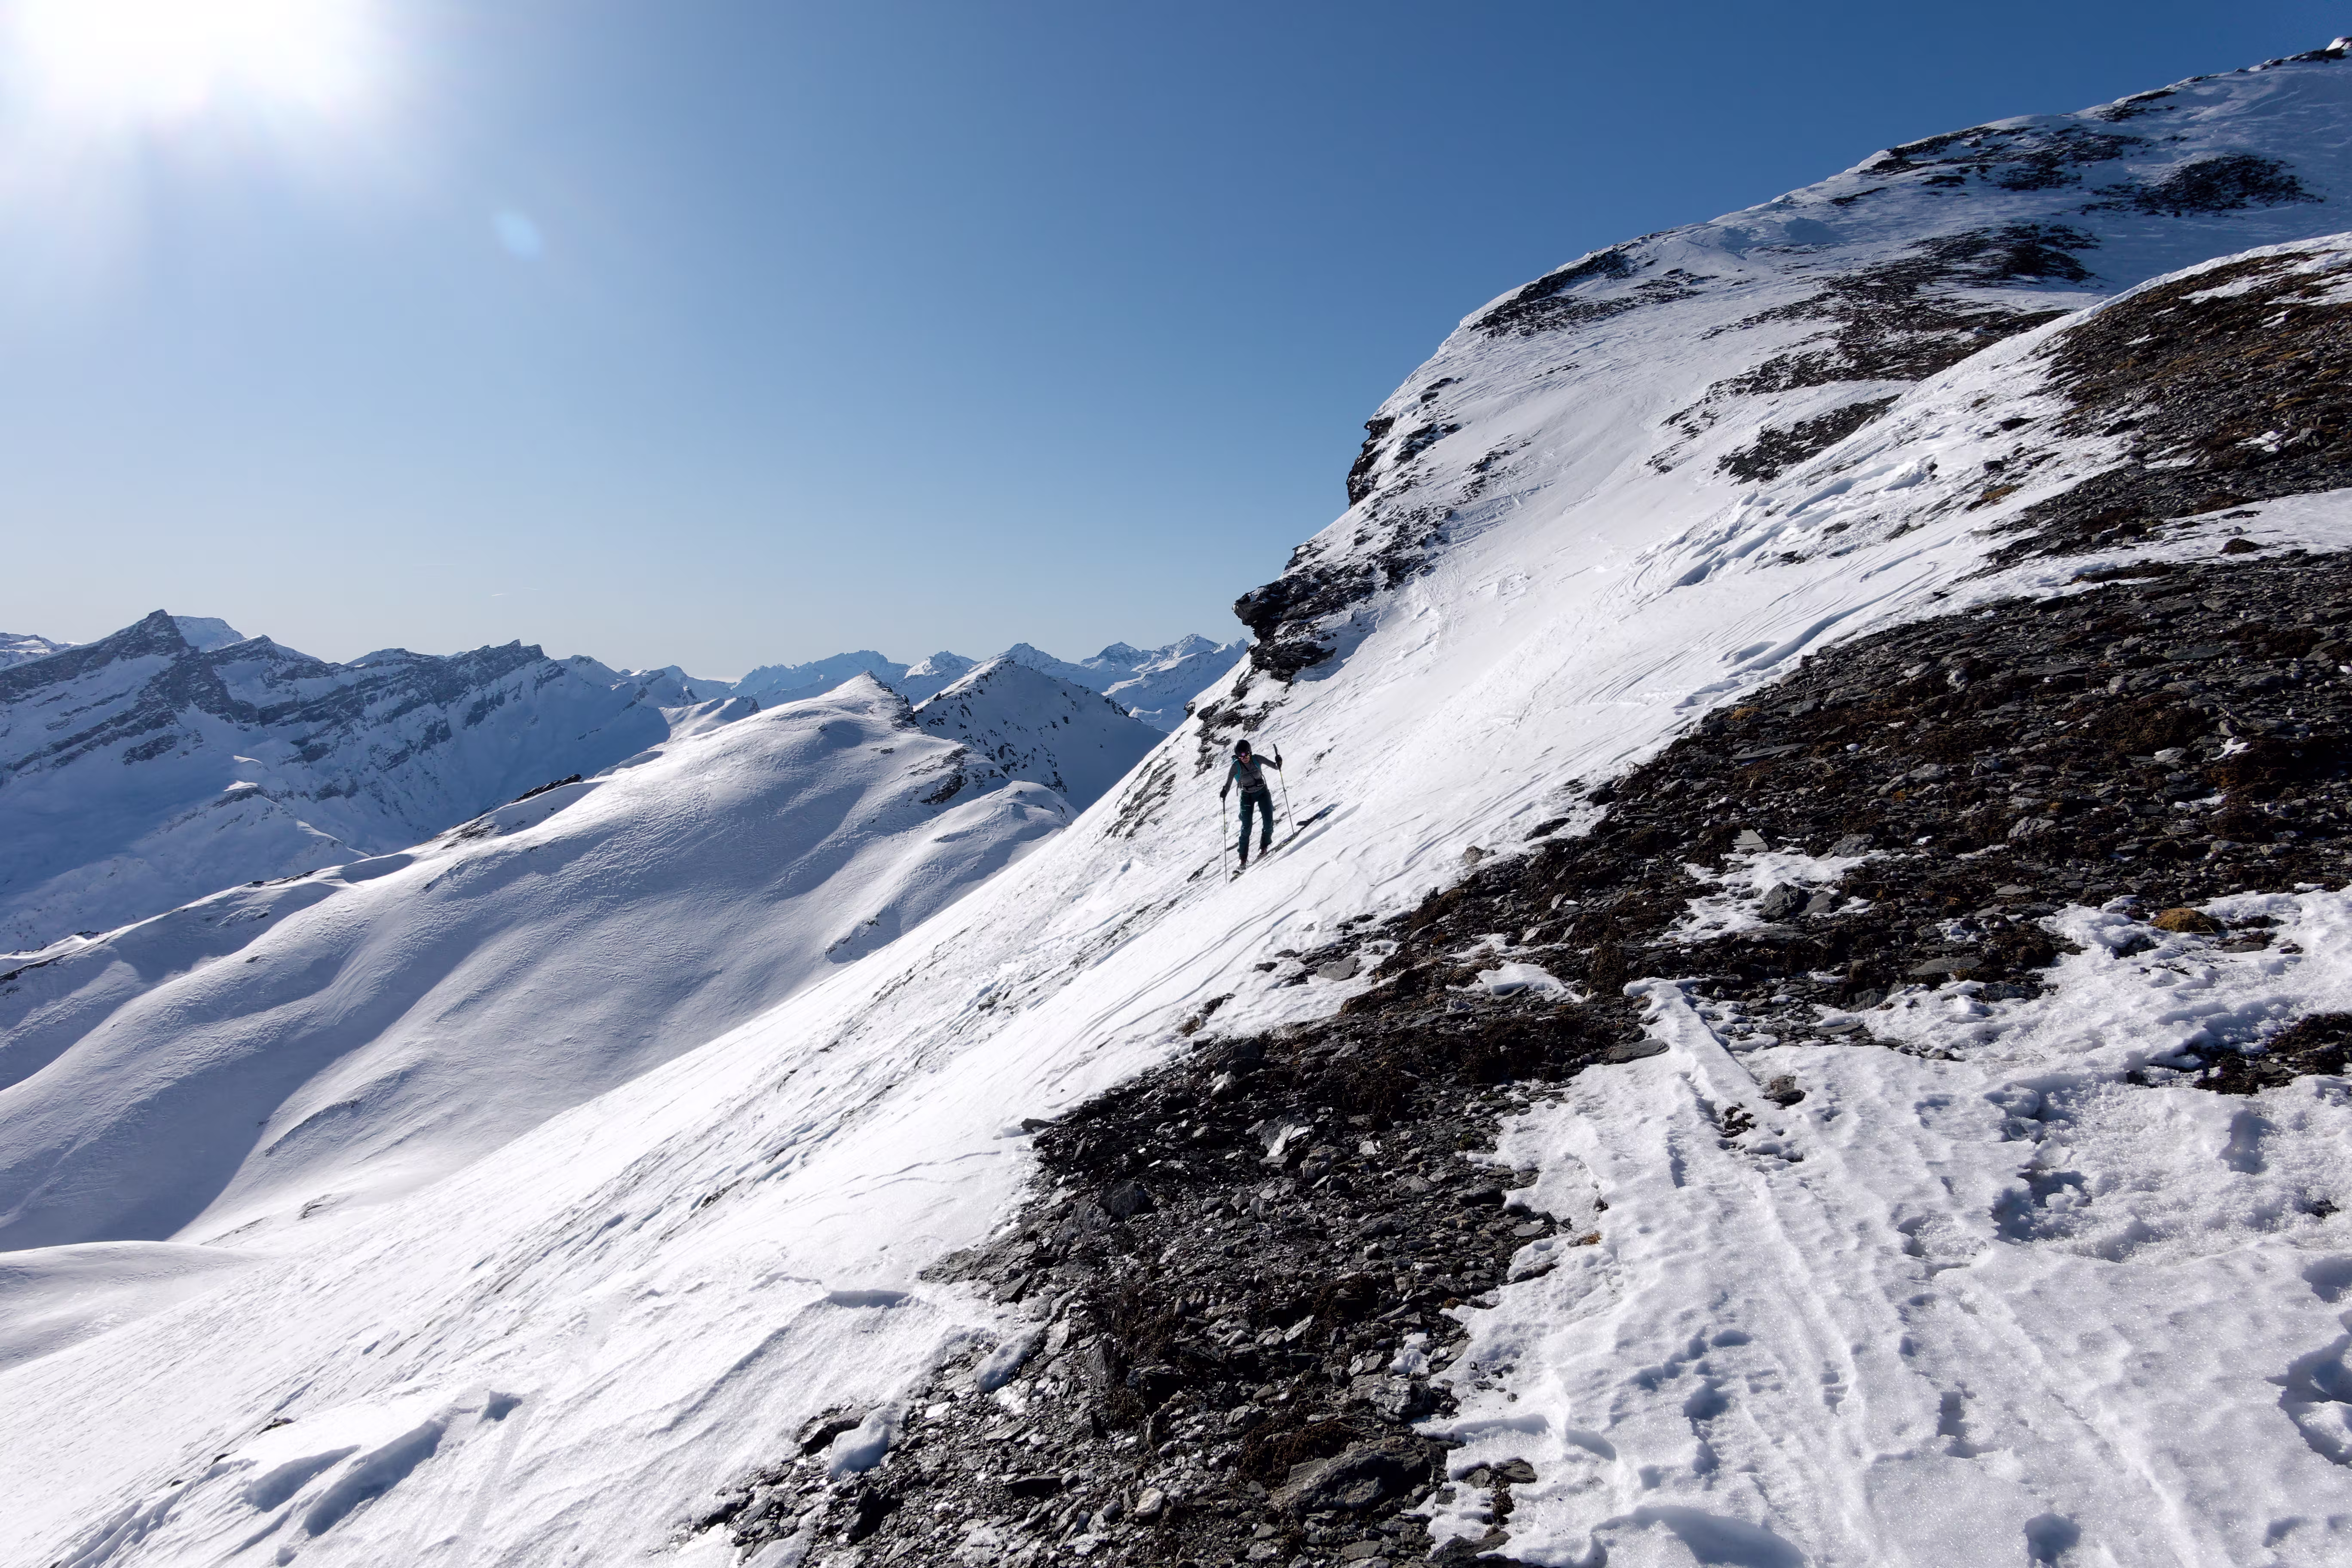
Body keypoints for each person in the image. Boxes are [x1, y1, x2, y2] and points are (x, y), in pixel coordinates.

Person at [1220, 739, 1283, 868]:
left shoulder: (1257, 759)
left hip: (1262, 792)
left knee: (1268, 820)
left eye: (1246, 755)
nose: (1244, 758)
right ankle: (1242, 858)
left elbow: (1276, 767)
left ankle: (1264, 847)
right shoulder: (1235, 766)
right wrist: (1224, 792)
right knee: (1246, 826)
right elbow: (1228, 783)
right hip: (1246, 795)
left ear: (1250, 752)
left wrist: (1279, 761)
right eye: (1241, 756)